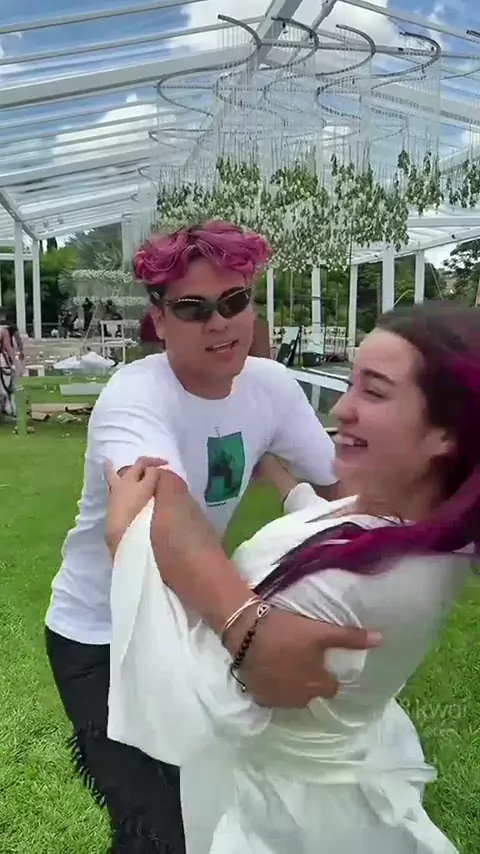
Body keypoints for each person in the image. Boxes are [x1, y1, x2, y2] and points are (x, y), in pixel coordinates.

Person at [44, 220, 375, 854]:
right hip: (101, 634)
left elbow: (341, 486)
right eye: (193, 308)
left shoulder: (271, 386)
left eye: (234, 302)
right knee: (154, 825)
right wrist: (251, 632)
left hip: (190, 624)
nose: (218, 322)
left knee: (209, 806)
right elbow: (162, 512)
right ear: (160, 319)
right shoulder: (135, 394)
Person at [106, 301, 478, 854]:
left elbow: (197, 701)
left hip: (281, 817)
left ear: (447, 432)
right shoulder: (411, 526)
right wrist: (279, 475)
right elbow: (322, 517)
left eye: (375, 393)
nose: (343, 409)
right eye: (350, 384)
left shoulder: (360, 582)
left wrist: (126, 543)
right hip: (336, 780)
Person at [0, 309, 17, 419]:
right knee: (6, 388)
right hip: (2, 361)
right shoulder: (4, 330)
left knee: (4, 388)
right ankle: (9, 409)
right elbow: (8, 347)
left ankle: (8, 409)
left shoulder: (3, 330)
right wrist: (14, 363)